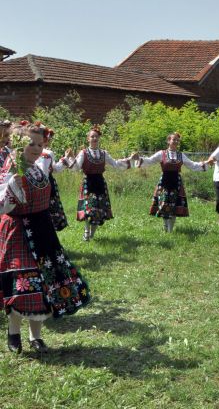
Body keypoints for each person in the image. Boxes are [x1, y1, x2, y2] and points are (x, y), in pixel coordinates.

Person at [0, 122, 91, 353]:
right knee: (22, 285)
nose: (37, 148)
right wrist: (11, 193)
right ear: (17, 143)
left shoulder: (39, 166)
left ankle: (35, 336)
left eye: (40, 144)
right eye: (31, 143)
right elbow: (3, 206)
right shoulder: (10, 171)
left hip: (43, 231)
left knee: (44, 284)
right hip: (19, 232)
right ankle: (13, 332)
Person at [132, 132, 208, 232]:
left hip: (176, 182)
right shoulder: (161, 153)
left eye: (177, 140)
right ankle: (166, 227)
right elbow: (150, 161)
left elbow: (192, 165)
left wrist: (205, 164)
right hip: (164, 182)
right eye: (174, 139)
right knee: (164, 205)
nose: (176, 142)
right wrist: (139, 158)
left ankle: (170, 230)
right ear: (169, 141)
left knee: (174, 206)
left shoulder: (181, 155)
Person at [68, 126, 131, 241]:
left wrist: (129, 159)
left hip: (100, 183)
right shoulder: (84, 153)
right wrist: (71, 158)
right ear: (88, 139)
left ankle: (92, 235)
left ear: (99, 138)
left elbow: (115, 164)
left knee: (99, 209)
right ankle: (86, 231)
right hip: (88, 182)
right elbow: (76, 167)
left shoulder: (103, 153)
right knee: (88, 208)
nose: (94, 138)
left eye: (96, 136)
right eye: (92, 136)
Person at [38, 127, 73, 231]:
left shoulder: (28, 151)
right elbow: (52, 170)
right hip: (47, 184)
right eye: (49, 138)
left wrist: (65, 157)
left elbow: (55, 168)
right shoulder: (48, 153)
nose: (49, 141)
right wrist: (66, 158)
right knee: (49, 210)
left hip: (35, 185)